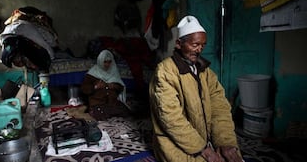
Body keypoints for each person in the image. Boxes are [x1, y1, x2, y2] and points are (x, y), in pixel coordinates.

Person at [149, 16, 243, 162]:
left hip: (202, 137)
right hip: (175, 139)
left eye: (203, 45)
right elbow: (171, 118)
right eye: (195, 45)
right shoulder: (165, 71)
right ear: (179, 44)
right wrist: (203, 149)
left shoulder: (206, 72)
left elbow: (220, 108)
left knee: (231, 156)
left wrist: (225, 142)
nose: (199, 49)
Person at [81, 49, 130, 120]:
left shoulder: (114, 71)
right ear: (100, 61)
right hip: (98, 103)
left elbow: (121, 87)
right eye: (105, 62)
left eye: (109, 62)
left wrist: (114, 86)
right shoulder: (92, 73)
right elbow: (84, 89)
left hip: (112, 103)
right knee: (101, 115)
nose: (107, 65)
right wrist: (96, 87)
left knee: (126, 112)